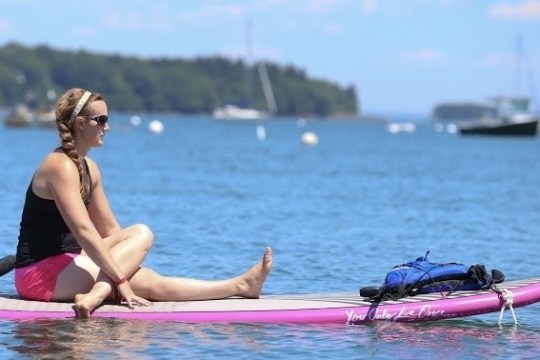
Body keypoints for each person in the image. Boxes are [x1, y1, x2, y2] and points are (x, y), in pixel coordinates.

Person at [14, 88, 272, 318]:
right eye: (101, 120)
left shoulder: (90, 168)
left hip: (71, 262)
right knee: (141, 237)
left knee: (144, 270)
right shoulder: (59, 166)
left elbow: (112, 232)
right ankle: (99, 294)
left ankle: (240, 286)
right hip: (40, 274)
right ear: (81, 123)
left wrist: (127, 265)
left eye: (107, 120)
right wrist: (120, 278)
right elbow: (84, 232)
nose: (107, 127)